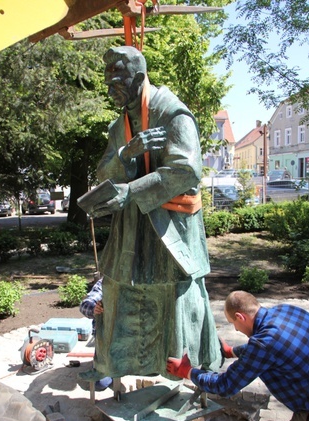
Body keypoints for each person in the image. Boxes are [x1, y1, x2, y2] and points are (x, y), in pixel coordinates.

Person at [78, 45, 221, 384]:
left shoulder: (173, 114)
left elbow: (186, 170)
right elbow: (105, 172)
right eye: (108, 81)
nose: (111, 88)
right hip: (132, 228)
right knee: (119, 288)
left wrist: (131, 190)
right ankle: (117, 366)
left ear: (139, 78)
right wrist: (127, 153)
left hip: (170, 228)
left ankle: (179, 370)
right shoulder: (119, 125)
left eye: (118, 81)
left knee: (173, 294)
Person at [166, 290, 309, 421]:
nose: (236, 330)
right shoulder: (287, 311)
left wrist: (187, 371)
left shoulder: (264, 343)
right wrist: (232, 351)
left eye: (233, 324)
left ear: (240, 316)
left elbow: (225, 386)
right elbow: (270, 345)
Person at [79, 277, 113, 391]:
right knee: (101, 383)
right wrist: (94, 309)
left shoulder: (136, 282)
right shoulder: (106, 282)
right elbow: (84, 304)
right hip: (107, 341)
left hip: (130, 339)